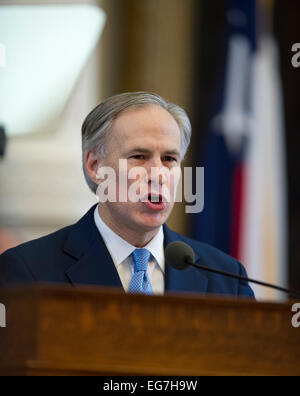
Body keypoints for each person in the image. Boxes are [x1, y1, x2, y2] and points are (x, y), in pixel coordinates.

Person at [0, 92, 254, 297]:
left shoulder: (226, 278)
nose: (157, 174)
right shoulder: (28, 272)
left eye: (169, 159)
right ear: (95, 166)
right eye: (139, 157)